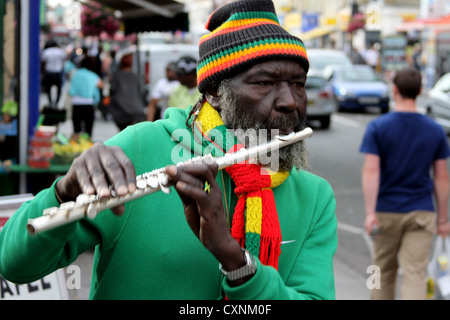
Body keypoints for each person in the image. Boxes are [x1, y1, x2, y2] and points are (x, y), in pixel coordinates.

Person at [0, 0, 337, 300]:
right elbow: (13, 265)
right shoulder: (140, 147)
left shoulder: (315, 196)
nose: (291, 101)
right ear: (215, 93)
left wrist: (236, 262)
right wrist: (62, 193)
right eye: (265, 83)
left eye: (298, 84)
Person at [360, 67, 450, 300]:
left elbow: (371, 170)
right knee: (415, 273)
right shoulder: (435, 130)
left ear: (395, 90)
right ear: (420, 91)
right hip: (421, 212)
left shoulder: (378, 127)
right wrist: (443, 219)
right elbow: (441, 177)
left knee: (380, 270)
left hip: (385, 211)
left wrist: (370, 213)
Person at [108, 54, 146, 131]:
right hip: (136, 110)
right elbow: (141, 93)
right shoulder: (136, 76)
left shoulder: (117, 76)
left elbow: (112, 90)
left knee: (123, 134)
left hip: (121, 111)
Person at [68, 56, 103, 137]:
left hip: (76, 103)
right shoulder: (92, 75)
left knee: (76, 130)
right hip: (88, 104)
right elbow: (101, 85)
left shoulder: (75, 74)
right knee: (88, 130)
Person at [41, 40, 67, 108]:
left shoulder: (46, 51)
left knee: (48, 89)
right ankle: (56, 103)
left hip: (49, 73)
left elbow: (43, 63)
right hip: (58, 73)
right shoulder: (60, 51)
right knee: (59, 89)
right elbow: (64, 60)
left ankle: (50, 102)